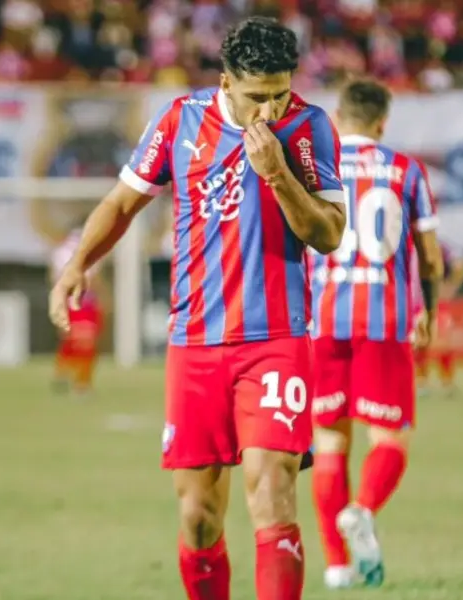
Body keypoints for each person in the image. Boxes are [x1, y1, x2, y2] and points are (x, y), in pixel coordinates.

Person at [48, 17, 345, 600]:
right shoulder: (180, 122)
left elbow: (330, 234)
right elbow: (122, 202)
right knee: (198, 515)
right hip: (196, 343)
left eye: (281, 93)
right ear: (226, 82)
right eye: (257, 96)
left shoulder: (309, 129)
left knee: (272, 493)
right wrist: (77, 264)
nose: (270, 110)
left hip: (277, 340)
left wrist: (278, 175)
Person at [306, 79, 444, 590]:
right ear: (383, 122)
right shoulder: (407, 170)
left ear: (337, 118)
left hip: (323, 320)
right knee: (389, 437)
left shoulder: (315, 167)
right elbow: (429, 257)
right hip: (384, 320)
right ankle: (362, 509)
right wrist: (429, 308)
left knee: (328, 443)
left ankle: (337, 564)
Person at [49, 221, 105, 398]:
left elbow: (54, 278)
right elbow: (95, 280)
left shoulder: (60, 251)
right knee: (84, 342)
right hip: (83, 301)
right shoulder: (90, 250)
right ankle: (79, 381)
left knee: (73, 340)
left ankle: (66, 375)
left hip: (71, 300)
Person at [415, 241, 463, 397]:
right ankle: (421, 381)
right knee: (420, 339)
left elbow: (461, 265)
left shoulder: (438, 245)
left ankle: (446, 381)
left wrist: (450, 287)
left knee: (441, 341)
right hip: (418, 299)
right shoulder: (412, 245)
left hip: (435, 300)